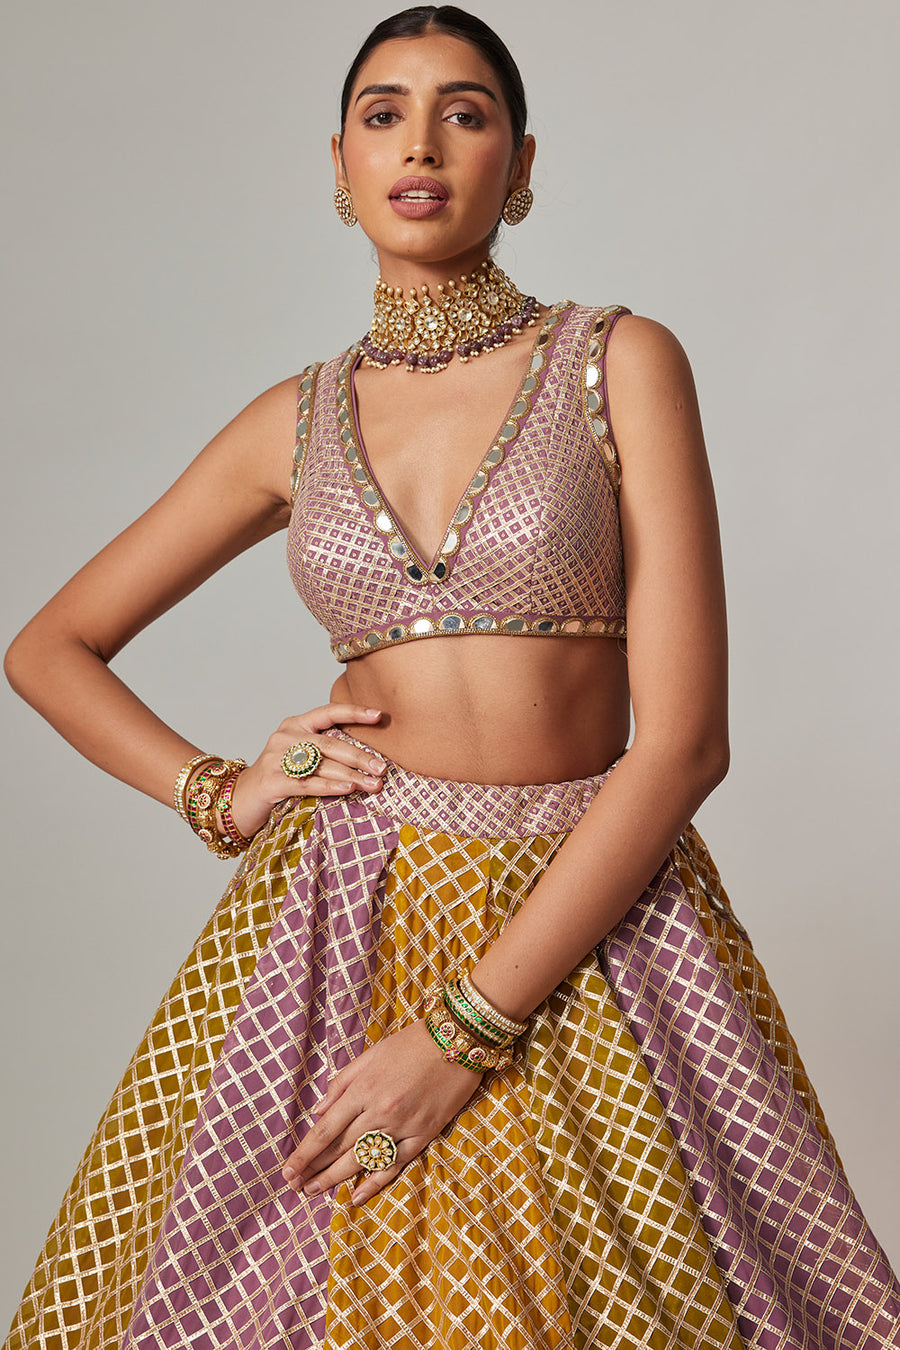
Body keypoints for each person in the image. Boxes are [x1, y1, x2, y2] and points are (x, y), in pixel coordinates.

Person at [4, 5, 899, 1348]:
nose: (420, 143)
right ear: (341, 162)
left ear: (520, 165)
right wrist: (221, 791)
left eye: (464, 113)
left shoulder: (617, 361)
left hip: (593, 921)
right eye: (384, 114)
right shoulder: (294, 419)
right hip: (339, 920)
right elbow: (48, 648)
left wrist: (459, 1033)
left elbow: (684, 745)